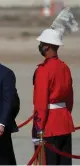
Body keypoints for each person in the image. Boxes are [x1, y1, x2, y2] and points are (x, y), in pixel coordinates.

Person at [32, 7, 78, 165]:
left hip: (49, 125)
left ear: (47, 47)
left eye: (42, 44)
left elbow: (40, 102)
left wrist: (38, 127)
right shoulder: (64, 67)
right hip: (64, 121)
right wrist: (64, 114)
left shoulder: (43, 70)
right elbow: (70, 99)